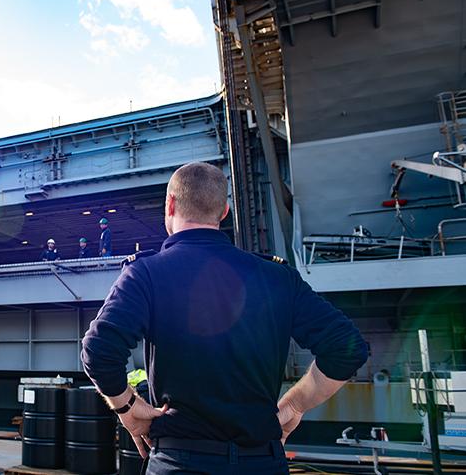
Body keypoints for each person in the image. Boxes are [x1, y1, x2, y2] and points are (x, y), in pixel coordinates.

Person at [80, 162, 368, 474]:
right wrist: (294, 404)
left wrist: (129, 408)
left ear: (170, 205)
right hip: (262, 462)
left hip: (179, 461)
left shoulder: (145, 273)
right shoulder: (278, 276)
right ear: (224, 211)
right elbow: (346, 348)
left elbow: (98, 351)